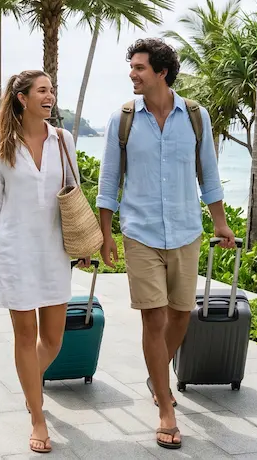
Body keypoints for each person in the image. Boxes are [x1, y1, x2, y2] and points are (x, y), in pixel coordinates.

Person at [96, 38, 236, 451]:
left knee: (180, 316)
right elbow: (109, 180)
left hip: (186, 230)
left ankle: (155, 373)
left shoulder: (195, 116)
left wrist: (221, 223)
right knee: (153, 320)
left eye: (140, 68)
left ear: (162, 72)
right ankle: (165, 406)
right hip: (139, 232)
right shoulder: (122, 119)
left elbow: (208, 173)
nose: (132, 74)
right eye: (132, 67)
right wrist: (106, 234)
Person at [0, 70, 83, 455]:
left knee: (52, 339)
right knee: (24, 335)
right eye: (42, 90)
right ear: (22, 98)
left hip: (54, 250)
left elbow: (75, 192)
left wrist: (84, 241)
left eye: (51, 90)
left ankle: (29, 385)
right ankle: (37, 416)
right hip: (15, 251)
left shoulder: (63, 140)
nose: (49, 96)